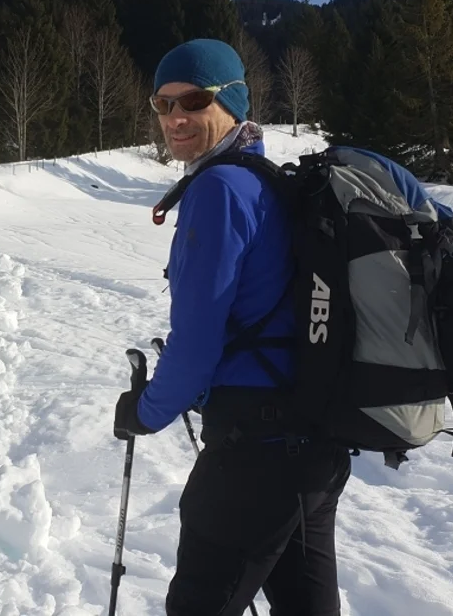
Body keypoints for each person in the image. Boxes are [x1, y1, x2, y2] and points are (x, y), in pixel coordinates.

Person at [113, 39, 352, 615]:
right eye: (162, 104)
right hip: (313, 447)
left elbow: (196, 345)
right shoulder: (263, 178)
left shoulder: (220, 190)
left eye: (193, 100)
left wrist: (143, 411)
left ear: (234, 103)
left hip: (255, 457)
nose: (175, 118)